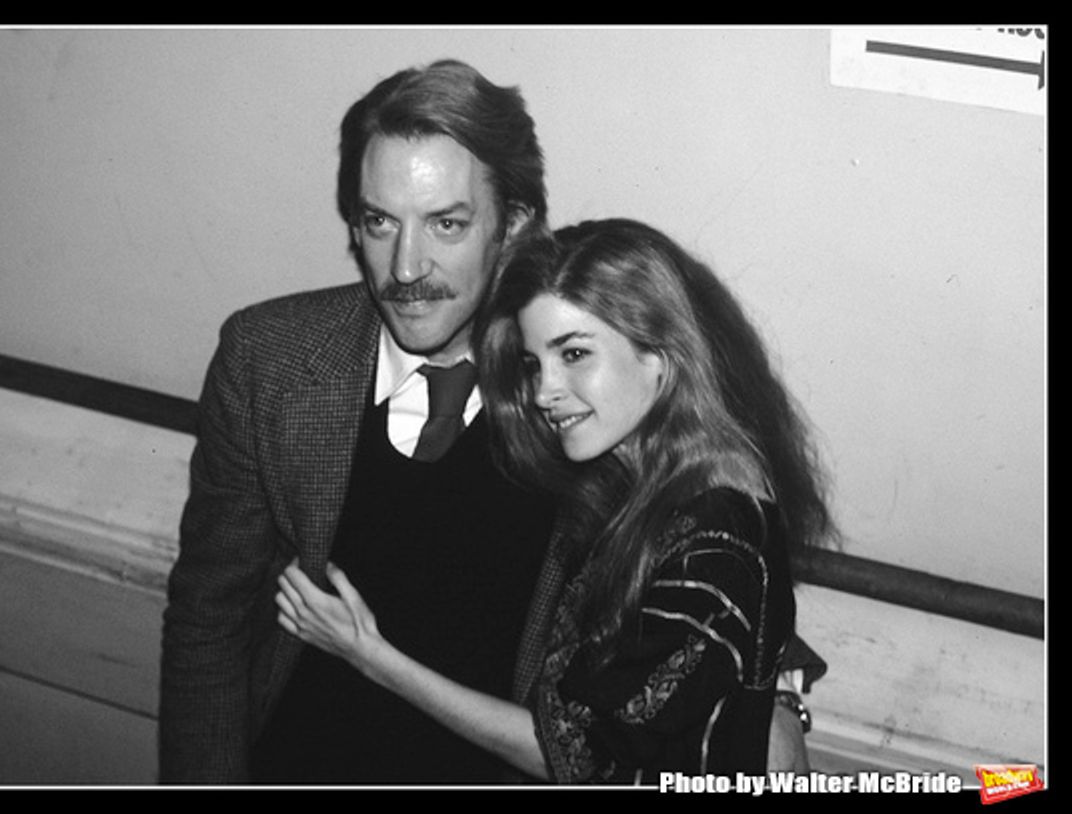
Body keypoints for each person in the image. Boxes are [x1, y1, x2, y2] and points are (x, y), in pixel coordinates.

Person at [159, 59, 823, 785]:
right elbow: (208, 617)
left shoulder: (581, 392)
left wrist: (776, 698)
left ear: (513, 224)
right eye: (380, 222)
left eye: (446, 224)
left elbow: (702, 527)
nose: (405, 268)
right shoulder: (269, 361)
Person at [275, 218, 835, 783]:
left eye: (575, 354)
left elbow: (572, 755)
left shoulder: (713, 534)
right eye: (534, 363)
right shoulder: (647, 475)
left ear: (661, 356)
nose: (544, 391)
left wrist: (369, 654)